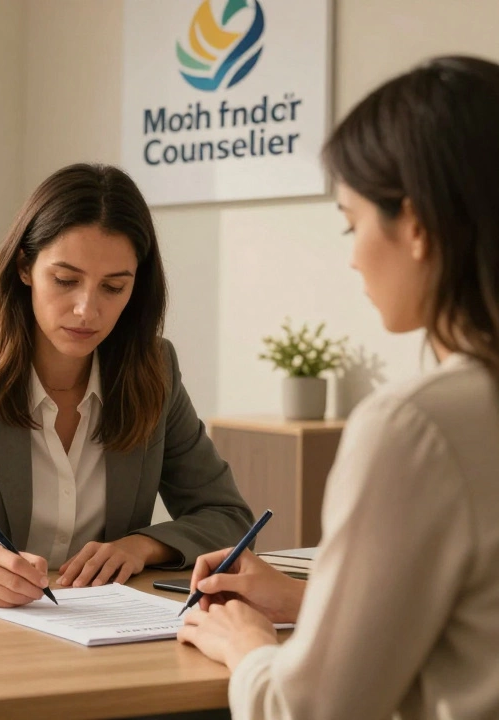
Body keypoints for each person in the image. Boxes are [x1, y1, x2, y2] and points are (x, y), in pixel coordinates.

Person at [178, 55, 499, 720]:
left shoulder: (418, 425)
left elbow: (311, 711)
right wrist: (314, 602)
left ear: (414, 225)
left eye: (352, 224)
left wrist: (248, 648)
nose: (351, 255)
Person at [0, 163, 254, 607]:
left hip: (106, 632)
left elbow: (229, 517)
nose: (87, 310)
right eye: (65, 280)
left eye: (113, 288)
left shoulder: (153, 369)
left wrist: (140, 546)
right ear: (25, 266)